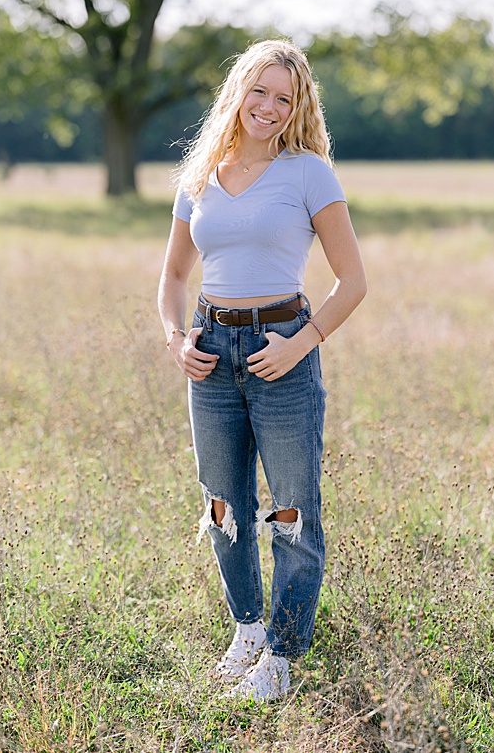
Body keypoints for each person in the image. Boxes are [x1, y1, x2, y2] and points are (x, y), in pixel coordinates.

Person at [157, 39, 366, 701]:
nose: (270, 108)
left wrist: (299, 343)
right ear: (238, 92)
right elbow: (171, 276)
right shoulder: (202, 175)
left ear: (298, 107)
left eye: (285, 98)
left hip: (283, 348)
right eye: (260, 92)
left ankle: (281, 651)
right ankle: (246, 627)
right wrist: (174, 338)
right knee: (223, 506)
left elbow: (353, 281)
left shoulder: (308, 173)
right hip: (212, 351)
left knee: (292, 511)